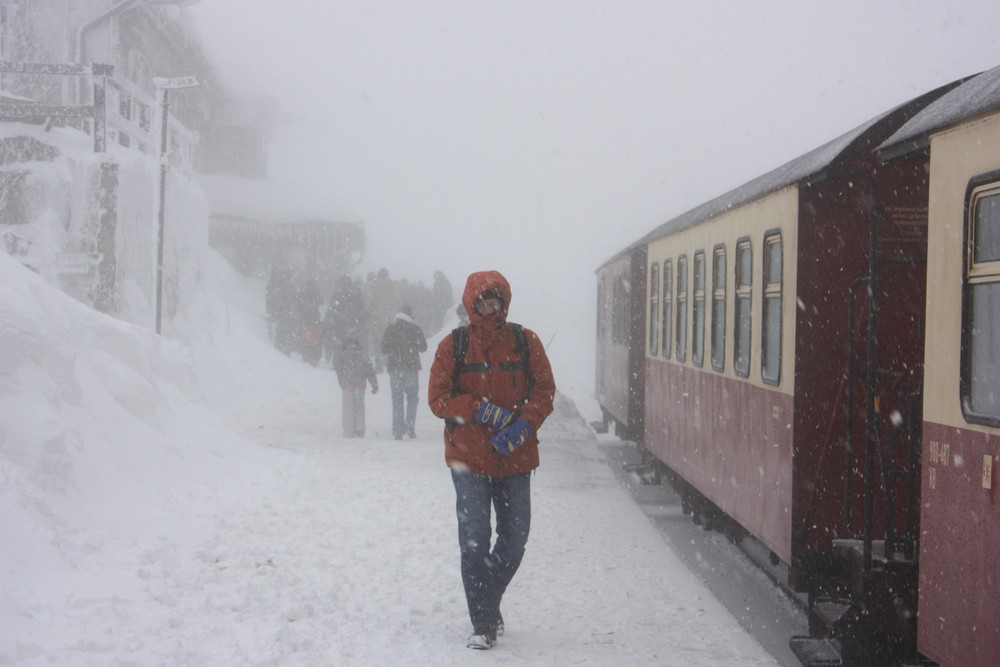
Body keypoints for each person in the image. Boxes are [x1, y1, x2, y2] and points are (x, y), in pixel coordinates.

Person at [427, 270, 555, 650]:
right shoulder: (453, 346)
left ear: (505, 303)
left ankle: (488, 599)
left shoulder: (525, 341)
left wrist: (524, 425)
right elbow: (438, 400)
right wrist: (481, 410)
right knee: (474, 540)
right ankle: (483, 623)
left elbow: (544, 391)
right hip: (469, 459)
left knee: (514, 541)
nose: (489, 307)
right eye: (482, 302)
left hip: (515, 459)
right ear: (470, 305)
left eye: (495, 301)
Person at [380, 304, 428, 439]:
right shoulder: (415, 328)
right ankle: (410, 426)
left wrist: (394, 350)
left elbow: (383, 347)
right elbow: (423, 347)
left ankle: (397, 431)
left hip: (395, 367)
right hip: (411, 368)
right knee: (412, 397)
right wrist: (412, 347)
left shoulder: (391, 328)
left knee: (397, 399)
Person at [332, 330, 378, 438]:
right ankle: (359, 429)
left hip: (347, 384)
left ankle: (348, 431)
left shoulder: (343, 352)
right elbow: (369, 369)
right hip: (360, 385)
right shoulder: (362, 352)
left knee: (348, 408)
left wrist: (341, 379)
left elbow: (337, 365)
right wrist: (374, 383)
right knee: (359, 407)